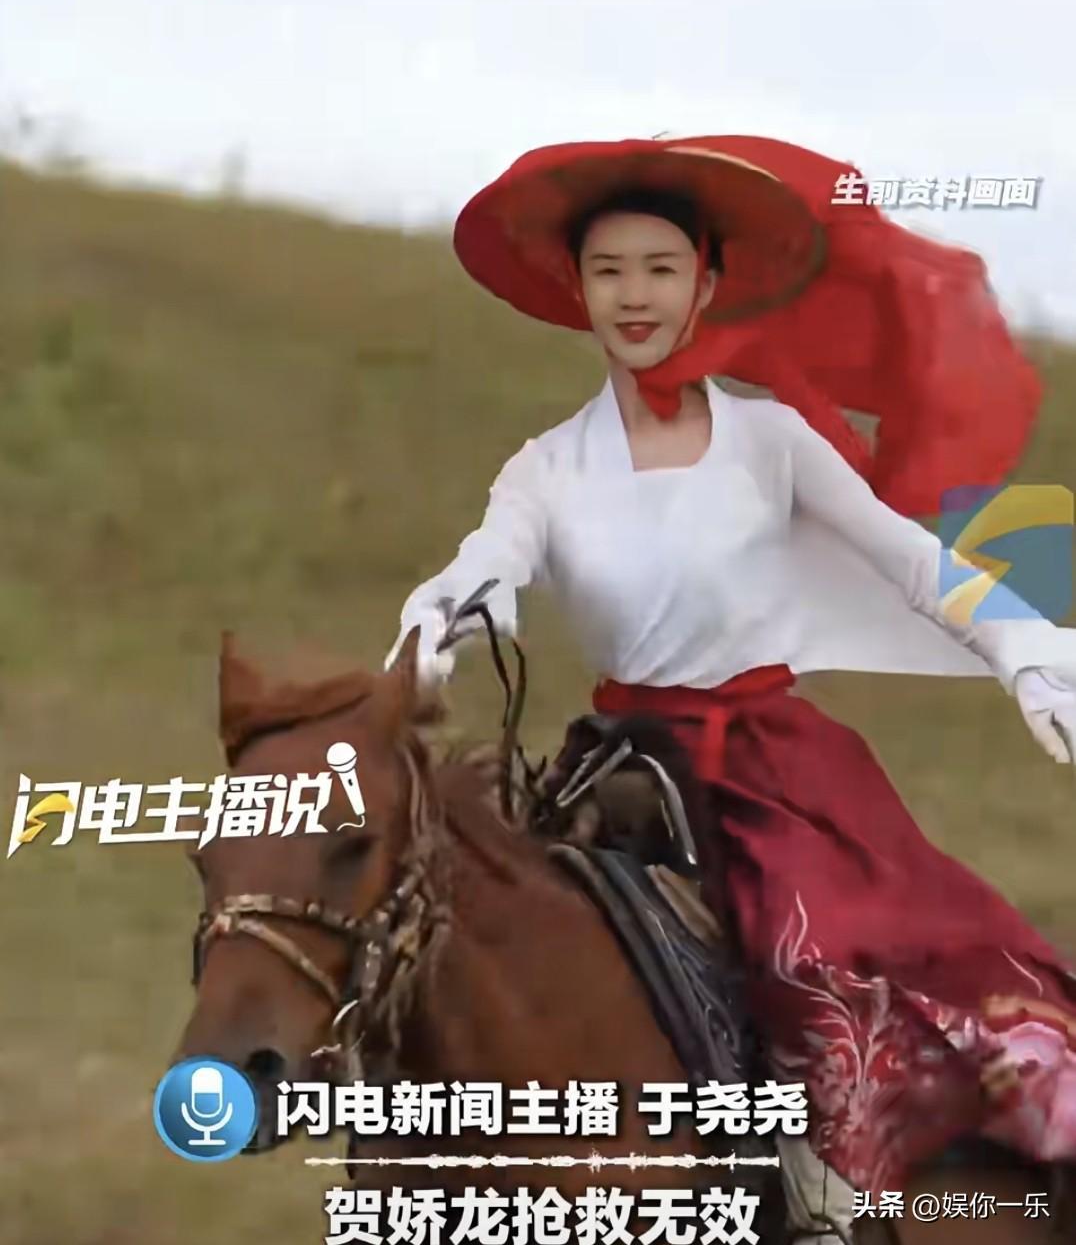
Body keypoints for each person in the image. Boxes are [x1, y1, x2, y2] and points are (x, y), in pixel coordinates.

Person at [385, 134, 1076, 1244]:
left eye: (660, 268)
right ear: (577, 289)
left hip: (766, 768)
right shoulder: (546, 467)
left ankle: (837, 1187)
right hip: (620, 769)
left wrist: (1026, 649)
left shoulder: (770, 439)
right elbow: (486, 558)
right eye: (609, 271)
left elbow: (911, 562)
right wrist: (438, 620)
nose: (634, 295)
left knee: (815, 953)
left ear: (705, 284)